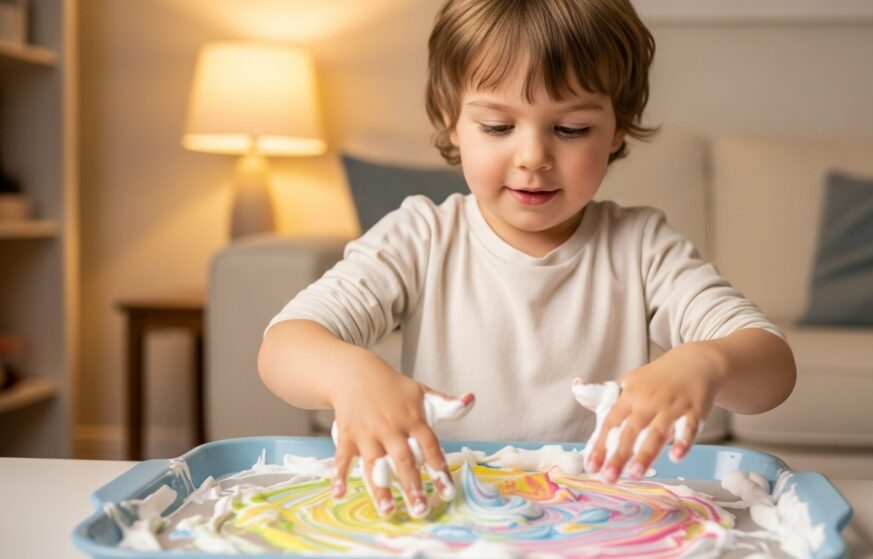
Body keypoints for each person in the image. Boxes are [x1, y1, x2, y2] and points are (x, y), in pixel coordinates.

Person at [258, 0, 796, 520]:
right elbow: (284, 345)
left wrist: (704, 364)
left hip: (599, 520)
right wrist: (350, 374)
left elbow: (772, 372)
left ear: (618, 129)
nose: (533, 157)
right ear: (451, 120)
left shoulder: (643, 247)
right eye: (497, 126)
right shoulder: (420, 236)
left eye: (571, 129)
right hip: (450, 517)